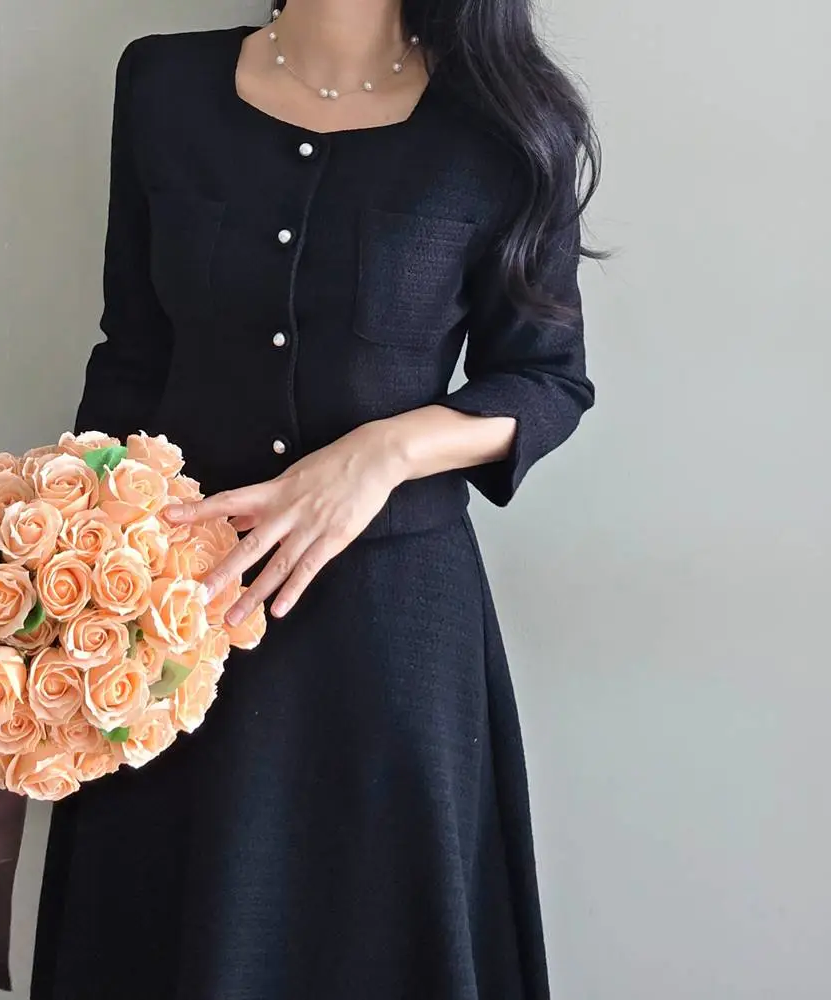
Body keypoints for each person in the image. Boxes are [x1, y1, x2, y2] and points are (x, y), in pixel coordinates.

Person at [31, 1, 599, 997]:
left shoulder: (509, 122)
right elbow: (132, 354)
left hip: (391, 642)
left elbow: (547, 380)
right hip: (176, 612)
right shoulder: (162, 84)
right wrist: (65, 579)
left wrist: (382, 452)